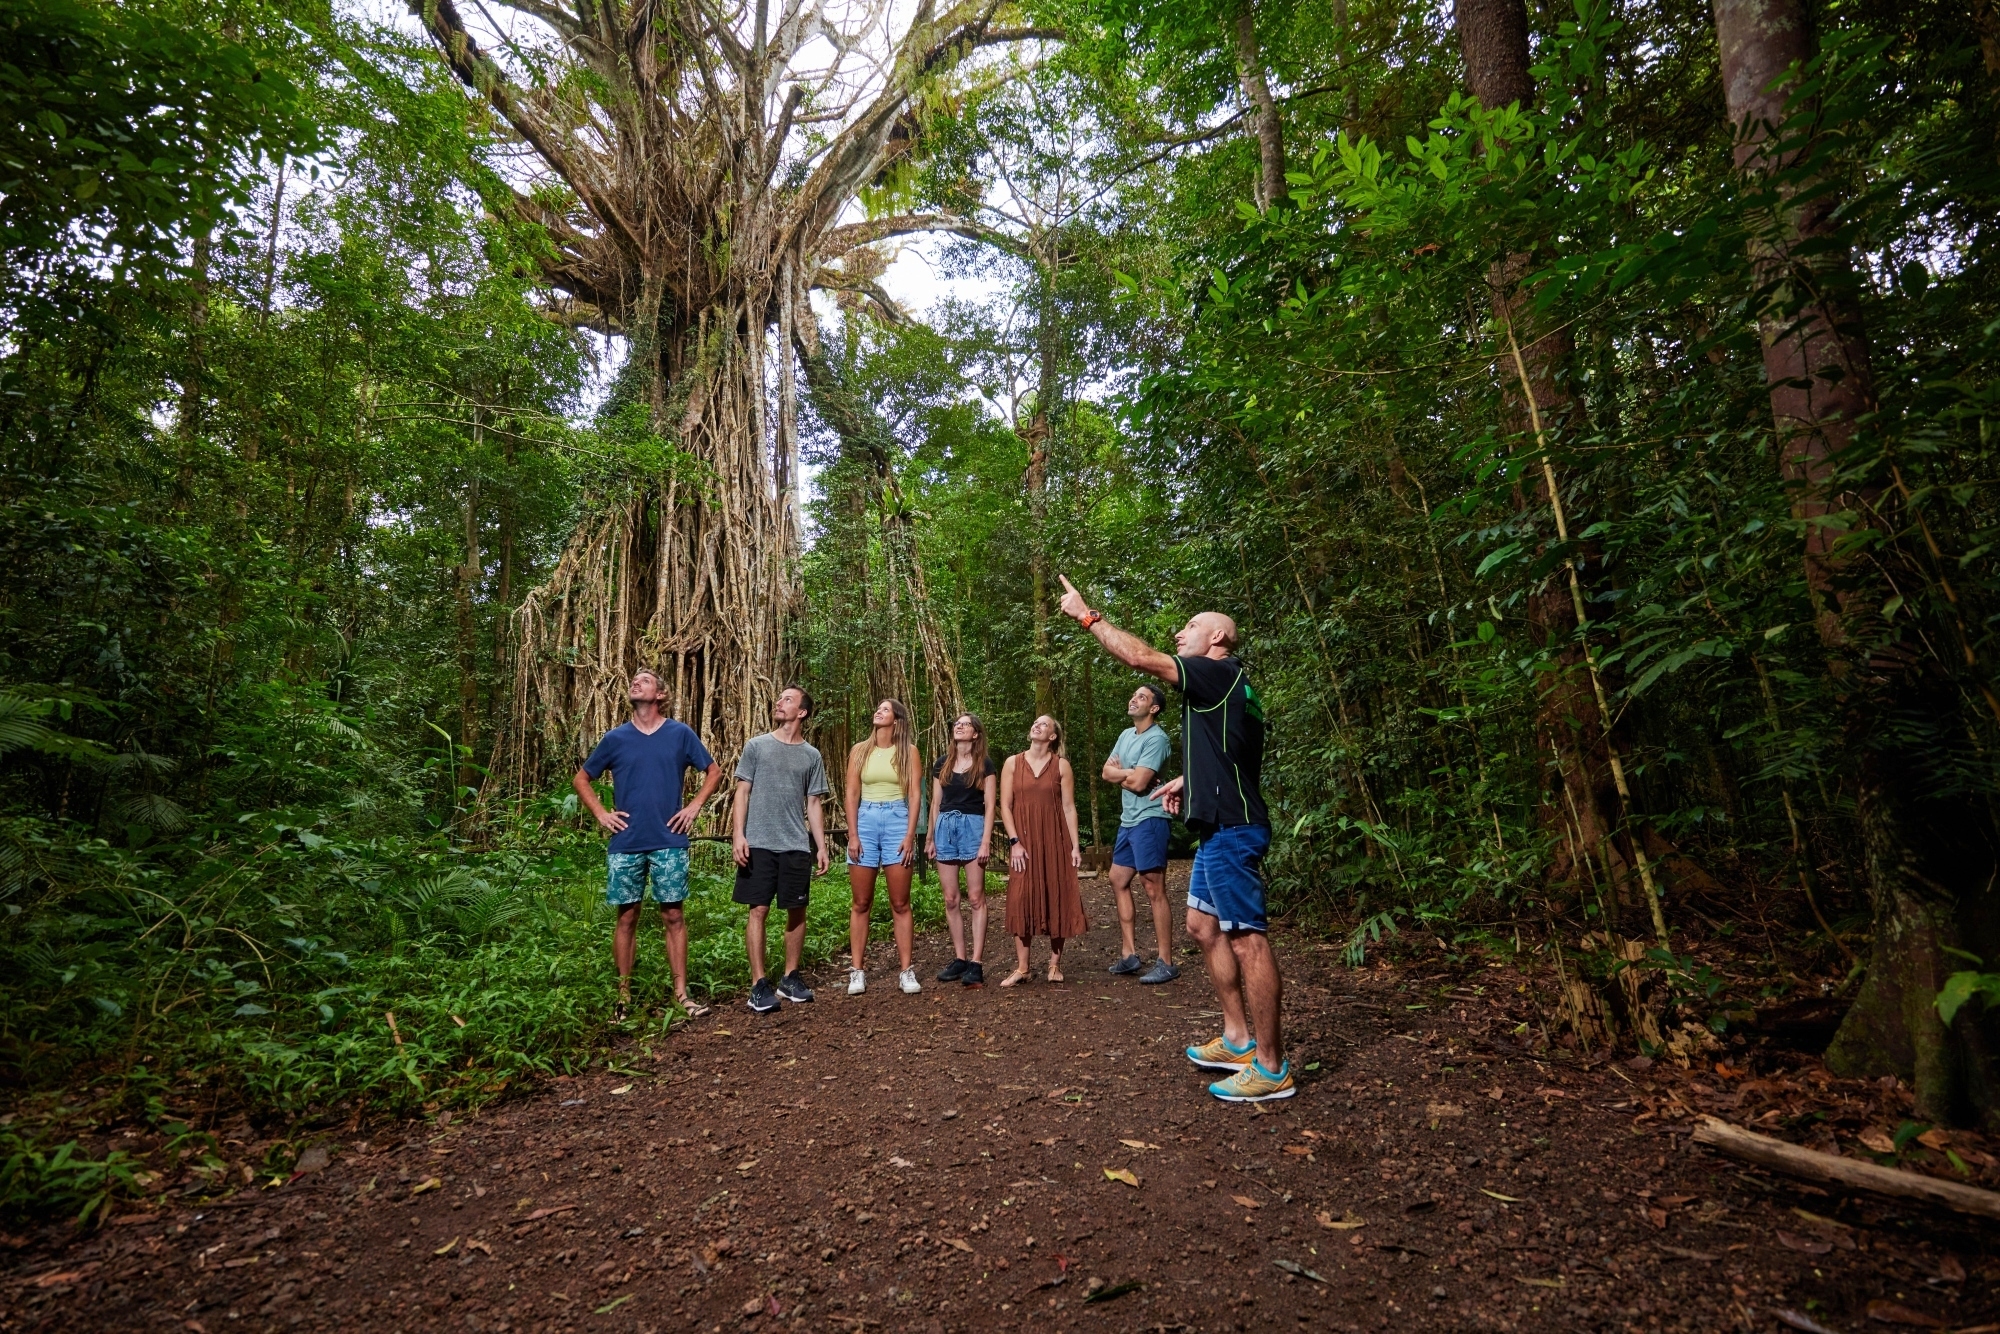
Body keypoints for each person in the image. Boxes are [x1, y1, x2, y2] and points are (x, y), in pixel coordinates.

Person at [1056, 574, 1291, 1102]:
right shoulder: (1236, 690)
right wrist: (1191, 780)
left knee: (1247, 937)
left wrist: (1087, 616)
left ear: (1217, 640)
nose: (1180, 632)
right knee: (1203, 927)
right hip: (1217, 826)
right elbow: (1238, 754)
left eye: (1191, 626)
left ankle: (1272, 1068)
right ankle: (1236, 1039)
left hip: (1233, 830)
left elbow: (1142, 659)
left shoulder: (1214, 670)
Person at [573, 669, 724, 1023]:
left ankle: (681, 993)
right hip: (626, 841)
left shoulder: (679, 734)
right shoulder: (615, 738)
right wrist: (600, 814)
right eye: (634, 680)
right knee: (626, 917)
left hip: (668, 839)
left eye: (644, 680)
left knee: (673, 915)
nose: (635, 682)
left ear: (660, 694)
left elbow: (713, 771)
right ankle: (623, 997)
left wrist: (693, 806)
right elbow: (582, 778)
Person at [732, 686, 831, 1014]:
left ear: (802, 712)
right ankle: (758, 984)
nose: (779, 702)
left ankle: (790, 977)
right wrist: (738, 835)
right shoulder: (756, 746)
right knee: (757, 910)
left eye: (788, 699)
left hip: (794, 844)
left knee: (796, 910)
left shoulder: (811, 755)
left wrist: (820, 845)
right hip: (758, 842)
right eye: (780, 698)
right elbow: (742, 792)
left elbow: (814, 803)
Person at [997, 715, 1088, 986]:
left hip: (1055, 840)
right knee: (1020, 896)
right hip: (1023, 841)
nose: (1037, 725)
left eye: (1044, 724)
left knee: (1056, 893)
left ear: (1052, 737)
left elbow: (1069, 807)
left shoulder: (1062, 766)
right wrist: (1014, 842)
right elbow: (1005, 806)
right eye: (1035, 722)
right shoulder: (1012, 763)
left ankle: (1054, 964)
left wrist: (1074, 847)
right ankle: (1023, 968)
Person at [843, 698, 925, 996]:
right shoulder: (859, 751)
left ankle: (906, 970)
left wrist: (909, 835)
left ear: (897, 720)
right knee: (861, 902)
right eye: (878, 708)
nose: (878, 711)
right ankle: (857, 971)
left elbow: (915, 795)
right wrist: (853, 834)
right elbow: (851, 793)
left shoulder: (909, 752)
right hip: (865, 819)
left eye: (885, 709)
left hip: (896, 819)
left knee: (900, 903)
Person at [1102, 682, 1179, 985]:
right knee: (1118, 878)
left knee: (1153, 886)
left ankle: (1166, 962)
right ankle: (1129, 954)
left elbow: (1137, 784)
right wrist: (1130, 774)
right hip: (1128, 819)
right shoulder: (1125, 735)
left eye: (1142, 697)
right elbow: (1107, 773)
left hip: (1151, 816)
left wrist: (1126, 776)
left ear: (1154, 708)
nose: (1134, 699)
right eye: (1134, 695)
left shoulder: (1158, 739)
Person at [927, 712, 998, 987]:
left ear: (975, 734)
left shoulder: (985, 765)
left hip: (973, 827)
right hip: (945, 826)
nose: (960, 727)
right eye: (957, 724)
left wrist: (985, 841)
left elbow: (990, 805)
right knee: (950, 899)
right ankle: (959, 957)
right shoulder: (942, 764)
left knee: (976, 897)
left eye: (966, 724)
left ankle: (976, 962)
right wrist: (930, 838)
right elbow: (935, 803)